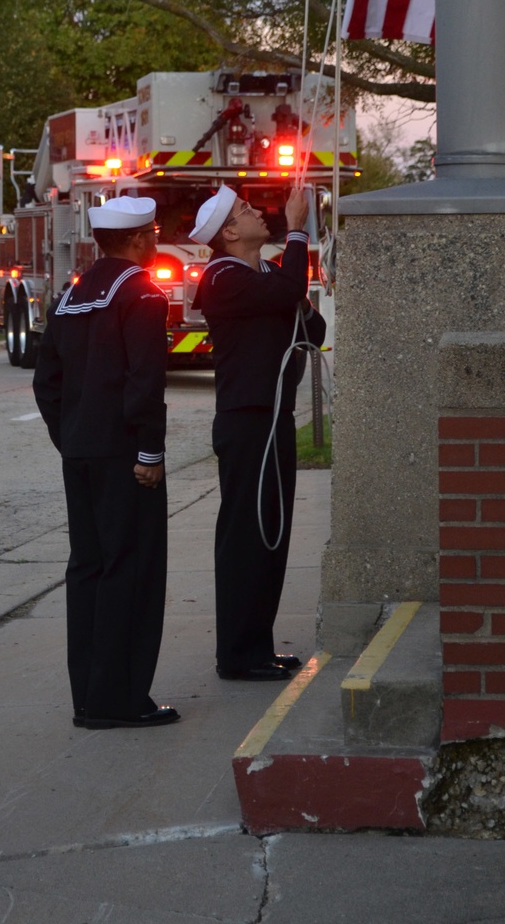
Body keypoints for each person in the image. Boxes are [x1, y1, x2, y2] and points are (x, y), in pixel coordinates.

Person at [33, 196, 179, 729]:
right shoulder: (141, 292)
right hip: (125, 456)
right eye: (154, 230)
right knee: (130, 571)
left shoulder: (72, 295)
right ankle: (121, 698)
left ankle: (89, 697)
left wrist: (69, 436)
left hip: (82, 454)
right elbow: (145, 381)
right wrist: (149, 451)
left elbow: (46, 381)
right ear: (139, 239)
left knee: (88, 570)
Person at [191, 185, 325, 683]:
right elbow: (288, 293)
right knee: (247, 536)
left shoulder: (265, 273)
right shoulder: (221, 276)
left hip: (274, 415)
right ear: (228, 232)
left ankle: (258, 644)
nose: (256, 212)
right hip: (247, 420)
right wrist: (296, 229)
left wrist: (298, 302)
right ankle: (238, 654)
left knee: (273, 534)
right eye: (244, 211)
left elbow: (312, 332)